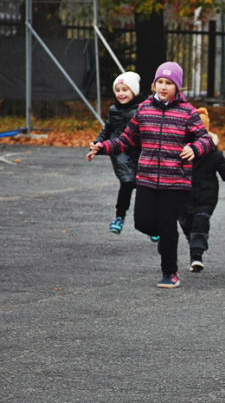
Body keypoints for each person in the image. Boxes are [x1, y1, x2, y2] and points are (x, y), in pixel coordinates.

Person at [87, 62, 215, 288]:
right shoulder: (144, 110)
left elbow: (205, 140)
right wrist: (102, 147)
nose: (163, 87)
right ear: (154, 85)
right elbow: (126, 139)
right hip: (146, 177)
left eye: (169, 83)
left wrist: (194, 149)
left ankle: (170, 273)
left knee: (167, 224)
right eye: (160, 83)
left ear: (177, 87)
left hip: (175, 180)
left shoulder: (188, 112)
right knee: (143, 222)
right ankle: (167, 237)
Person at [179, 108, 225, 273]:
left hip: (206, 196)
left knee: (200, 221)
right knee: (187, 224)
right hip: (183, 196)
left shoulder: (214, 154)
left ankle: (197, 256)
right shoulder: (179, 150)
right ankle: (193, 243)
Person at [88, 71, 144, 234]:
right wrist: (97, 144)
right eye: (118, 90)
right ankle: (119, 217)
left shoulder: (143, 108)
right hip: (119, 150)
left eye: (125, 90)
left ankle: (149, 222)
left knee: (144, 186)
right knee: (127, 181)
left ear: (134, 91)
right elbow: (107, 129)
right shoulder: (114, 110)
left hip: (140, 150)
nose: (121, 94)